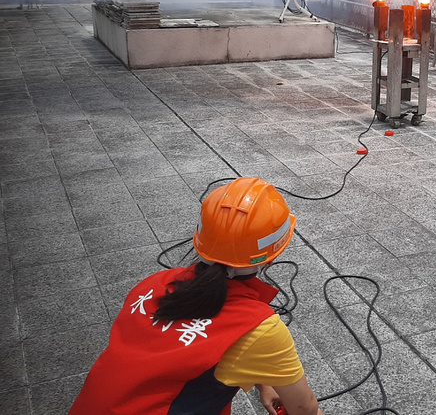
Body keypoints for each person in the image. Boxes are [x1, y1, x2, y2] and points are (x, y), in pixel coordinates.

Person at [69, 177, 325, 415]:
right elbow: (304, 407)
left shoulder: (151, 285)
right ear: (273, 255)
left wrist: (264, 380)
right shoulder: (259, 328)